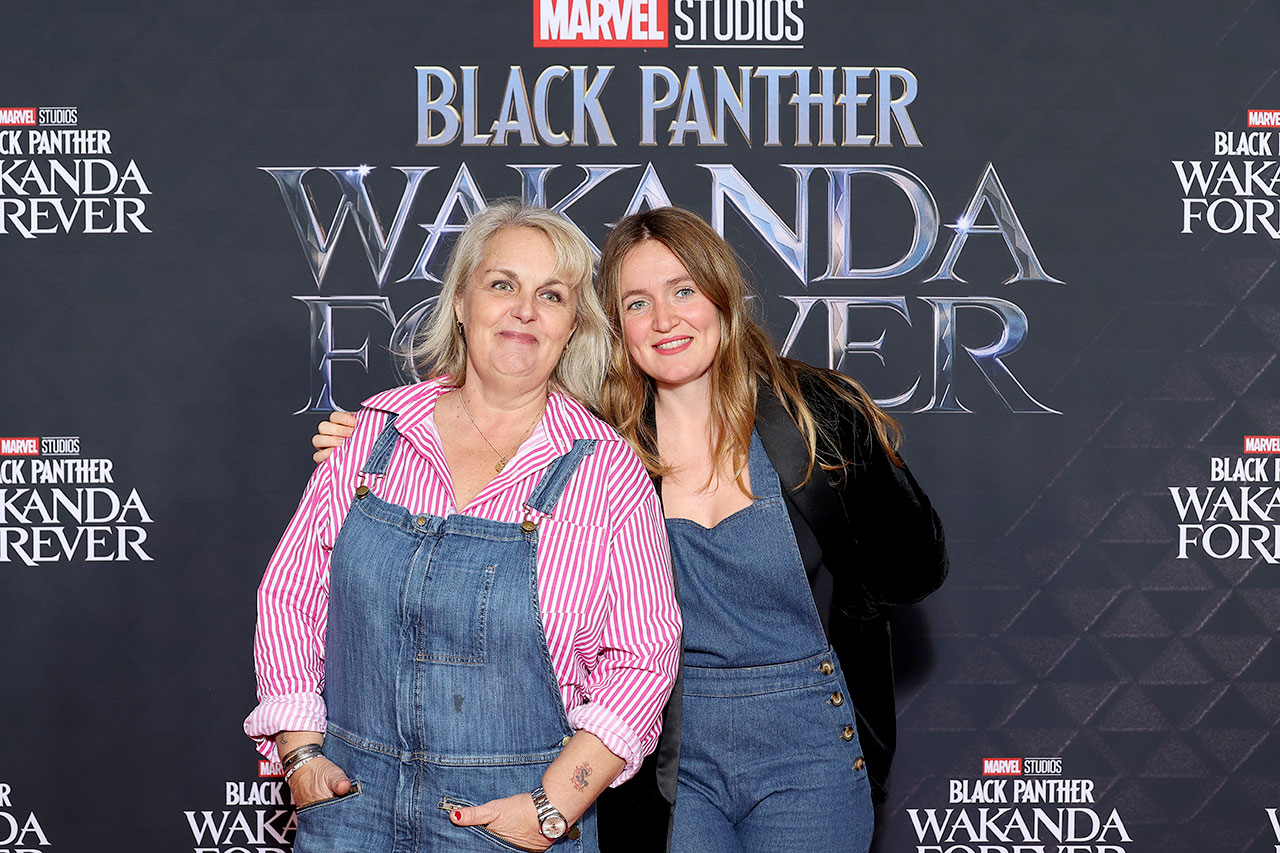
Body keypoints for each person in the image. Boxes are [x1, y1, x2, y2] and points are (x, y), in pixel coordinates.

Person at [315, 206, 947, 852]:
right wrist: (374, 439)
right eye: (638, 303)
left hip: (808, 743)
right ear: (616, 325)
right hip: (671, 753)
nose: (665, 319)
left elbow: (913, 571)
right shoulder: (600, 445)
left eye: (683, 291)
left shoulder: (810, 414)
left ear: (722, 297)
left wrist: (860, 457)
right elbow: (488, 412)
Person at [247, 201, 682, 853]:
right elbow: (291, 595)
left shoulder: (605, 470)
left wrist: (554, 805)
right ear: (460, 302)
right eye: (502, 284)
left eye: (551, 295)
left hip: (508, 821)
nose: (524, 310)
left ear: (573, 325)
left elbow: (644, 659)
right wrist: (302, 754)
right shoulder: (374, 437)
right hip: (350, 812)